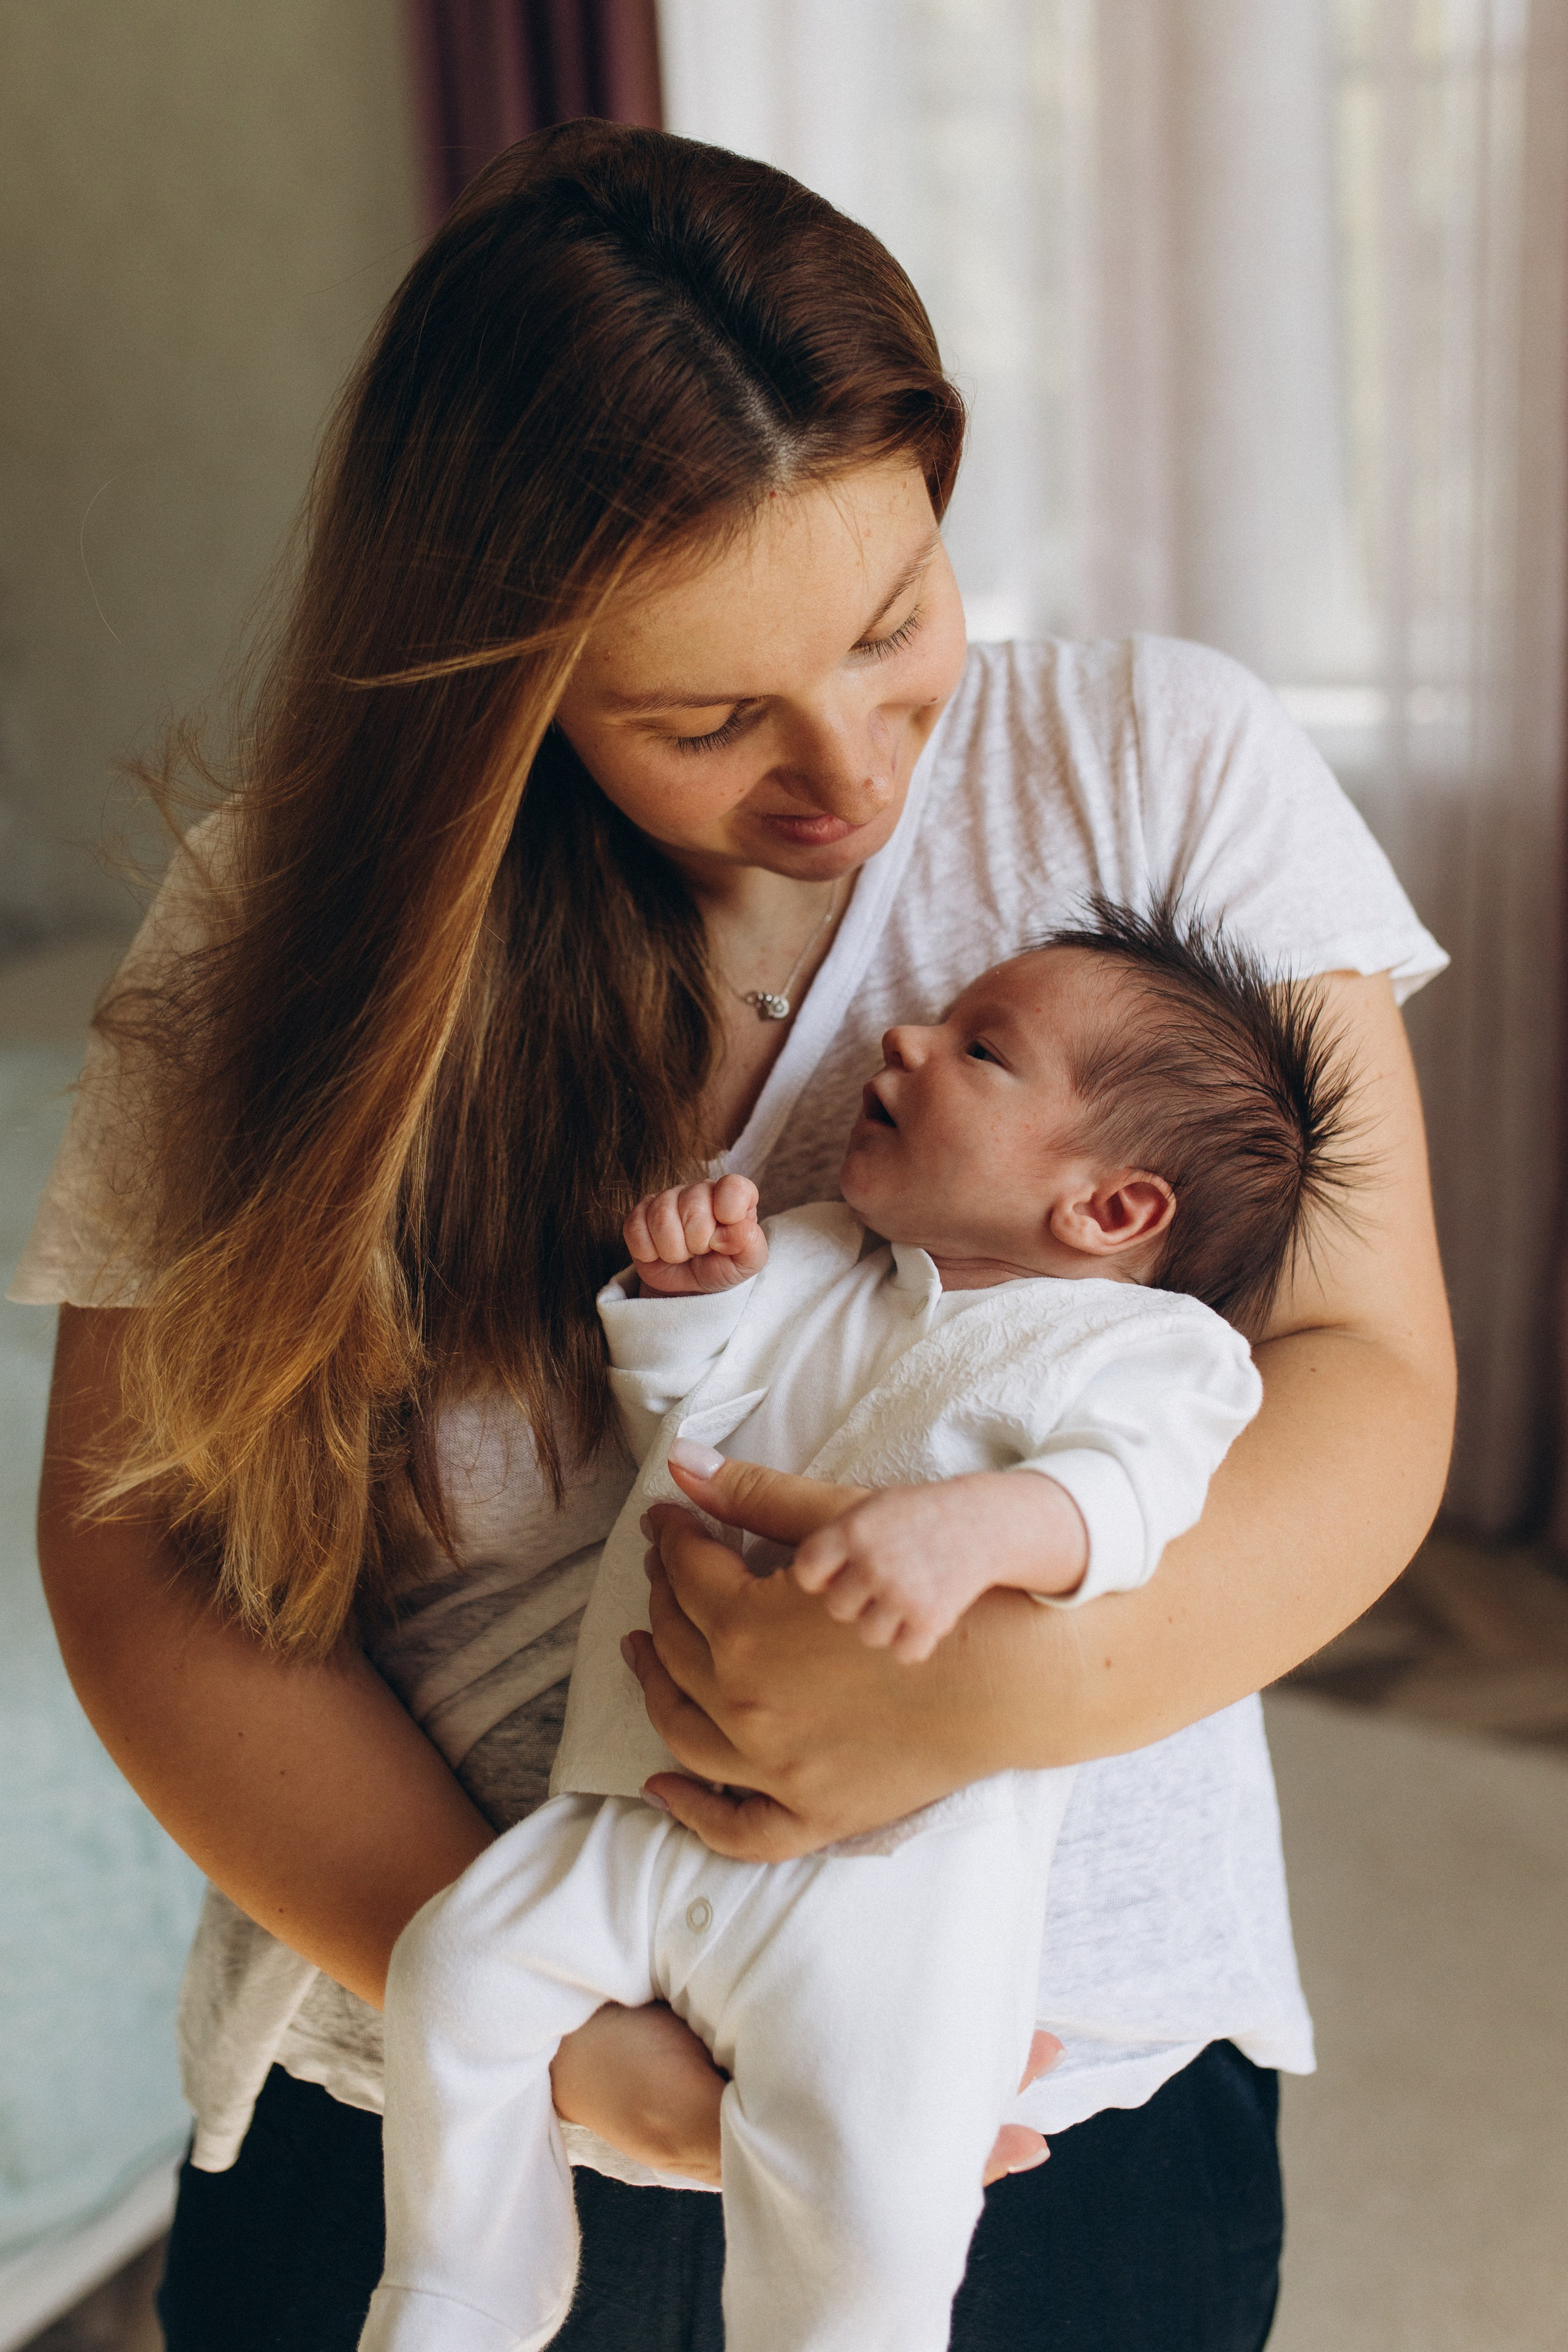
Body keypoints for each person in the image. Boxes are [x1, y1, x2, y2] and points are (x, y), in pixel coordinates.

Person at [17, 122, 1453, 2352]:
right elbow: (142, 1556)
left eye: (893, 628)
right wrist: (553, 2034)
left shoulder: (1161, 768)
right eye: (704, 720)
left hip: (1039, 2108)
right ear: (501, 689)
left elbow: (1362, 1377)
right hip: (431, 2070)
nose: (852, 779)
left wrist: (993, 1695)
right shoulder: (283, 925)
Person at [366, 909, 1347, 2352]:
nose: (906, 1036)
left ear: (1109, 1209)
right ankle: (463, 2287)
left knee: (872, 2206)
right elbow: (686, 1440)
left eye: (979, 1050)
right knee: (456, 1970)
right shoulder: (816, 1256)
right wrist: (685, 1309)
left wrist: (979, 1530)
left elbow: (1128, 1501)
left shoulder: (1152, 1354)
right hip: (642, 1802)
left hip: (891, 1887)